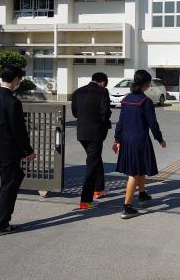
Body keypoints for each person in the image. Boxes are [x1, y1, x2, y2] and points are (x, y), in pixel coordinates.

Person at [0, 63, 36, 237]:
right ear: (16, 79)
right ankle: (0, 225)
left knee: (13, 178)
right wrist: (28, 151)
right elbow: (19, 130)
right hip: (9, 150)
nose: (19, 82)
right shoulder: (13, 102)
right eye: (19, 79)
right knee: (10, 184)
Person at [112, 70, 166, 219]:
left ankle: (142, 195)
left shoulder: (126, 99)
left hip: (126, 139)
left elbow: (120, 122)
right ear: (146, 84)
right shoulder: (145, 101)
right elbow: (153, 124)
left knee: (140, 168)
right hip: (140, 140)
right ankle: (127, 207)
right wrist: (159, 139)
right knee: (134, 173)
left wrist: (117, 139)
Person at [71, 72, 112, 209]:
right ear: (103, 83)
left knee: (95, 159)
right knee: (92, 164)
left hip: (82, 133)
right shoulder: (103, 92)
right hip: (96, 133)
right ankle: (86, 201)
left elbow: (75, 113)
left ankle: (99, 189)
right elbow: (105, 113)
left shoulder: (78, 92)